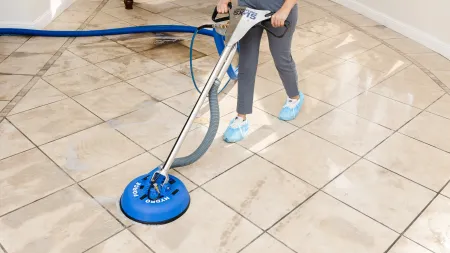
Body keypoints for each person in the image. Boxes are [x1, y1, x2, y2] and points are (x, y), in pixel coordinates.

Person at [217, 0, 303, 143]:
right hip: (248, 7)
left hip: (278, 9)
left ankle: (294, 98)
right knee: (246, 63)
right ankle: (241, 118)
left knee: (281, 58)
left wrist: (285, 9)